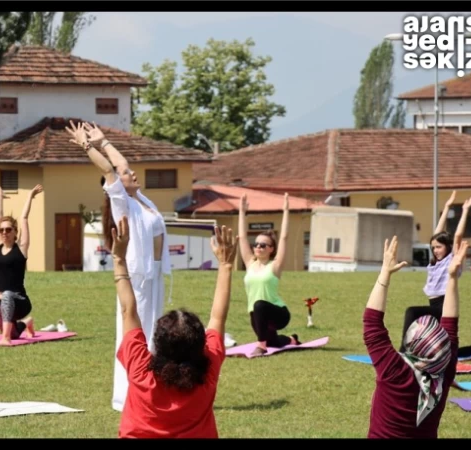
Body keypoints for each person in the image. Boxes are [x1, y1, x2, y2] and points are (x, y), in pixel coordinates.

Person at [65, 120, 172, 412]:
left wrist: (104, 141)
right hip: (137, 277)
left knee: (154, 334)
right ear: (116, 186)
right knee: (137, 333)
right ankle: (129, 395)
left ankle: (151, 389)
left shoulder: (141, 199)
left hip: (154, 277)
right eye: (126, 175)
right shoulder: (122, 201)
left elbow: (121, 164)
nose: (131, 172)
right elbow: (111, 170)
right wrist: (89, 146)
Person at [111, 216, 237, 438]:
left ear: (157, 344)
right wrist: (226, 265)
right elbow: (218, 318)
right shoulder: (207, 371)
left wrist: (118, 258)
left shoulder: (141, 369)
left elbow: (128, 310)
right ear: (201, 345)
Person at [363, 235, 465, 438]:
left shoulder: (394, 371)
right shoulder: (443, 374)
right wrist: (452, 278)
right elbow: (451, 327)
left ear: (411, 343)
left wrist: (385, 273)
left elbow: (372, 324)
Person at [399, 191, 471, 352]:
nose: (435, 250)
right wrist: (446, 207)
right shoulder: (434, 262)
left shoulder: (452, 259)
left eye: (439, 247)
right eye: (433, 247)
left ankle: (403, 351)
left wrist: (466, 210)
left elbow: (458, 236)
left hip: (444, 305)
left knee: (412, 312)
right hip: (434, 305)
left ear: (448, 247)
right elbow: (436, 234)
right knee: (445, 348)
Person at [237, 193, 300, 357]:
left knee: (259, 305)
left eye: (263, 245)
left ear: (271, 249)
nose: (258, 247)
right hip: (256, 314)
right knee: (274, 342)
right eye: (256, 244)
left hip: (278, 313)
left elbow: (284, 238)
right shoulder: (250, 264)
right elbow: (242, 237)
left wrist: (286, 210)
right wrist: (242, 212)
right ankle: (292, 340)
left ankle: (261, 347)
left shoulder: (275, 266)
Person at [0, 184, 42, 345]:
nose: (4, 232)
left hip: (19, 300)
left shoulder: (21, 248)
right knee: (14, 332)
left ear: (15, 232)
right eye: (2, 230)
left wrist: (30, 196)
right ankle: (26, 324)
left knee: (7, 295)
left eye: (8, 229)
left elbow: (24, 218)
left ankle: (5, 339)